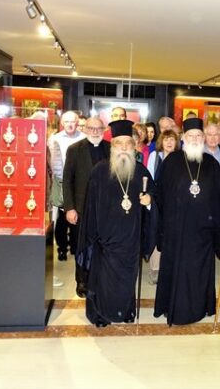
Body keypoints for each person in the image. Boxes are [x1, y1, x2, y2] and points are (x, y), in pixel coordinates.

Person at [154, 118, 220, 325]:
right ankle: (173, 307)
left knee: (199, 270)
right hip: (176, 230)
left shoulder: (210, 163)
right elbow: (159, 194)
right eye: (191, 135)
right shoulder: (171, 162)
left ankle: (200, 307)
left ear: (203, 138)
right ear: (183, 137)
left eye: (199, 136)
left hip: (202, 231)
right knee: (177, 269)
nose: (195, 139)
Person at [78, 120, 157, 327]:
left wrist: (149, 201)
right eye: (119, 143)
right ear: (112, 146)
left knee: (127, 279)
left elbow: (154, 197)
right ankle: (101, 315)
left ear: (134, 146)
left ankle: (126, 310)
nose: (123, 148)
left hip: (131, 240)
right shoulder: (99, 171)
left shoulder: (141, 172)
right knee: (104, 281)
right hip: (105, 240)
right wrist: (93, 236)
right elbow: (90, 207)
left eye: (127, 143)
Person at [63, 116, 110, 298]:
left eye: (99, 128)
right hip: (81, 209)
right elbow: (67, 180)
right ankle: (81, 281)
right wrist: (69, 208)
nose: (95, 132)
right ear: (85, 129)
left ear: (104, 130)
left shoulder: (110, 149)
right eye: (91, 128)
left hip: (104, 209)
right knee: (81, 245)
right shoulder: (75, 149)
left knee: (102, 246)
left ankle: (100, 279)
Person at [146, 129, 180, 284]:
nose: (169, 142)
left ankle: (171, 267)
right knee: (156, 231)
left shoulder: (181, 157)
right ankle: (155, 268)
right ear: (161, 142)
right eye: (166, 139)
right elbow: (149, 177)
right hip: (158, 200)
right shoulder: (155, 156)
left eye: (172, 139)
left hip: (176, 201)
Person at [49, 111, 83, 261]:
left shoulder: (84, 138)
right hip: (60, 181)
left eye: (73, 121)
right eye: (67, 121)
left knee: (77, 215)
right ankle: (62, 248)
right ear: (62, 123)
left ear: (77, 122)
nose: (70, 124)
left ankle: (76, 247)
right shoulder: (54, 139)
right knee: (62, 218)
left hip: (78, 183)